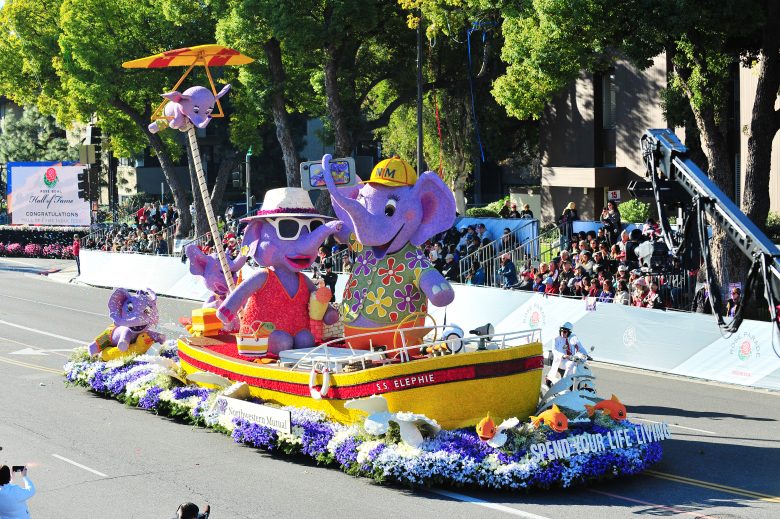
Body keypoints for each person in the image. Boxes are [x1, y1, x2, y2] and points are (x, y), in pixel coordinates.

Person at [546, 322, 590, 387]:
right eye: (561, 331)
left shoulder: (573, 338)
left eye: (564, 332)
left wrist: (586, 355)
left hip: (571, 359)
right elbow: (554, 351)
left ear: (569, 332)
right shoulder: (556, 339)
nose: (562, 333)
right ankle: (564, 383)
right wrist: (563, 356)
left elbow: (580, 347)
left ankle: (575, 384)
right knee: (571, 364)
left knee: (578, 366)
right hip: (560, 360)